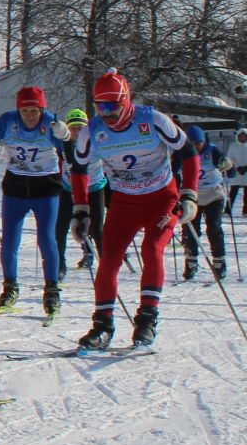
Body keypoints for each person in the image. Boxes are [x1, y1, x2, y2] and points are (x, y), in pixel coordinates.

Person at [67, 69, 200, 350]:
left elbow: (188, 151)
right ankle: (102, 325)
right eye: (100, 106)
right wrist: (81, 209)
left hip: (161, 199)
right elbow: (79, 169)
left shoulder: (152, 119)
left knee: (151, 249)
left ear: (125, 100)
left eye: (112, 105)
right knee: (109, 259)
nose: (107, 113)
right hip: (125, 202)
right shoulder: (93, 131)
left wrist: (189, 194)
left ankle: (146, 320)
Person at [0, 87, 71, 319]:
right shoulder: (8, 121)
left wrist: (66, 136)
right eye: (25, 110)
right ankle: (9, 288)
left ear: (42, 109)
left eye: (35, 110)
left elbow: (70, 153)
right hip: (15, 187)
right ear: (18, 108)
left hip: (45, 187)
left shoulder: (49, 124)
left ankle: (51, 290)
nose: (29, 115)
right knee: (9, 240)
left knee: (47, 238)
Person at [60, 107, 109, 272]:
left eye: (80, 128)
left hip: (94, 187)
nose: (76, 131)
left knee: (97, 228)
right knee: (60, 227)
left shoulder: (96, 141)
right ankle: (59, 267)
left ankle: (106, 265)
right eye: (72, 128)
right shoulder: (62, 144)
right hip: (69, 188)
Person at [180, 125, 229, 280]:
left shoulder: (212, 150)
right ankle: (191, 263)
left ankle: (219, 263)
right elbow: (173, 171)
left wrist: (227, 165)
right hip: (192, 197)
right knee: (190, 231)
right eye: (192, 144)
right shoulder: (181, 152)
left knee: (214, 228)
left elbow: (227, 167)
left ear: (203, 142)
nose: (196, 147)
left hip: (213, 195)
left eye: (198, 144)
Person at [226, 128, 247, 216]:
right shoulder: (233, 146)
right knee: (233, 192)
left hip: (246, 171)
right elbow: (230, 157)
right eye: (240, 136)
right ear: (237, 137)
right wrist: (237, 167)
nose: (242, 138)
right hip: (237, 171)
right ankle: (227, 210)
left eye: (244, 136)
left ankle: (245, 211)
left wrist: (245, 168)